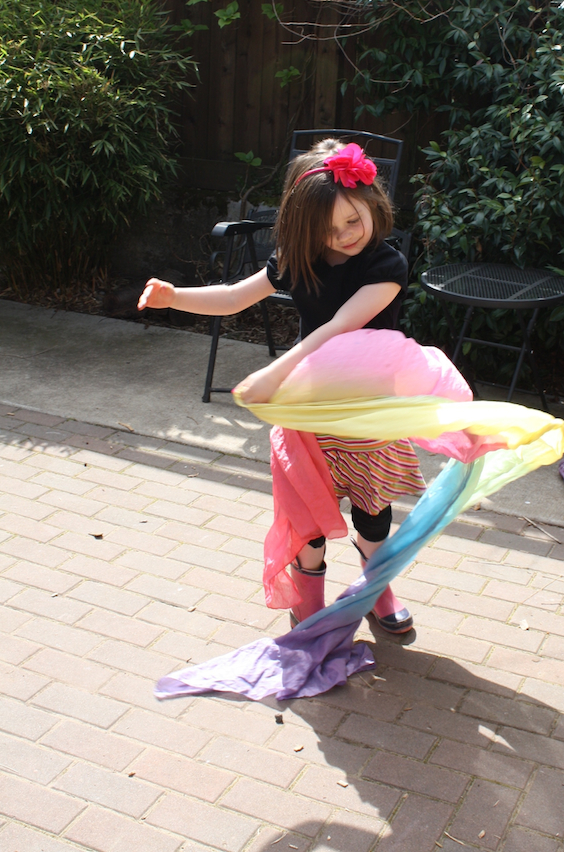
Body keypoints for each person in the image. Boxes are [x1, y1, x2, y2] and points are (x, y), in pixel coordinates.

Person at [138, 139, 424, 632]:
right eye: (327, 229)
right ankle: (308, 602)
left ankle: (376, 588)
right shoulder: (298, 258)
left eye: (352, 220)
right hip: (308, 409)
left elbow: (338, 326)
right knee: (307, 512)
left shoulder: (386, 265)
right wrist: (174, 296)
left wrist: (274, 372)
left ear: (372, 204)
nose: (343, 235)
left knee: (373, 513)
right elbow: (233, 297)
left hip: (367, 409)